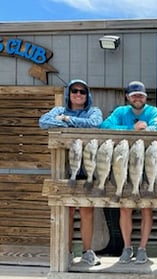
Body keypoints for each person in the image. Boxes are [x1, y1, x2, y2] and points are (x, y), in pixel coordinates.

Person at [39, 79, 103, 266]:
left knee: (87, 210)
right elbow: (44, 122)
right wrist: (74, 124)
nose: (78, 94)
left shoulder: (93, 110)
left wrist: (67, 121)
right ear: (69, 93)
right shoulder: (58, 110)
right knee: (66, 210)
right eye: (74, 91)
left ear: (87, 95)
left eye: (82, 92)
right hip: (64, 167)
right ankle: (66, 252)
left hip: (87, 166)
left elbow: (95, 124)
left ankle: (87, 251)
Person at [100, 81, 157, 264]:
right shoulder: (121, 112)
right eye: (134, 94)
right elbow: (105, 127)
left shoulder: (153, 112)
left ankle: (142, 248)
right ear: (128, 97)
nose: (137, 97)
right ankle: (127, 248)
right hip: (122, 165)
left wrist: (145, 130)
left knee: (146, 207)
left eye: (140, 95)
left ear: (146, 97)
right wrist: (131, 130)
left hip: (147, 165)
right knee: (125, 208)